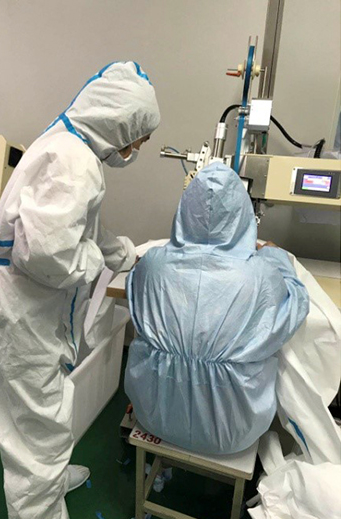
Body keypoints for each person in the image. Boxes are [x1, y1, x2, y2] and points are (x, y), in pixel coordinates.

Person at [0, 61, 159, 519]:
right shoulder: (76, 161)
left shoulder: (63, 143)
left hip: (11, 308)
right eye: (139, 138)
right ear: (119, 122)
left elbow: (76, 227)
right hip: (18, 320)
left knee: (35, 424)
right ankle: (41, 513)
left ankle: (49, 477)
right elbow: (49, 256)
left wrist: (122, 252)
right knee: (38, 432)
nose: (137, 148)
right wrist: (96, 261)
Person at [125, 162, 310, 455]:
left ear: (184, 211)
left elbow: (134, 284)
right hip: (234, 431)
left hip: (153, 415)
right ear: (242, 214)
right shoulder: (260, 276)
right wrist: (276, 257)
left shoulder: (153, 265)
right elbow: (297, 303)